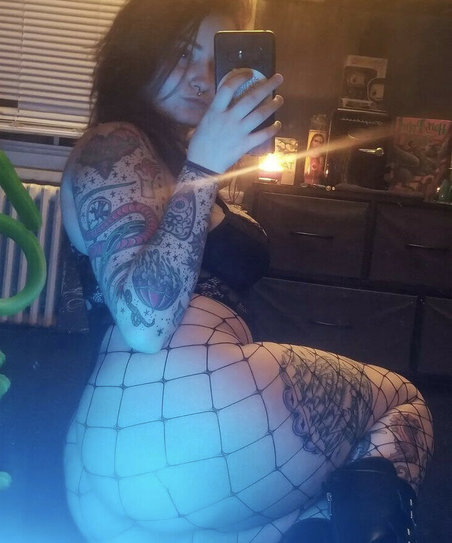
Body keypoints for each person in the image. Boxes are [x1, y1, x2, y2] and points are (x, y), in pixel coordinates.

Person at [60, 1, 433, 542]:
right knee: (403, 402)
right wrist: (208, 159)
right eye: (181, 53)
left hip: (109, 461)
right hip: (187, 412)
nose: (202, 78)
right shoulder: (113, 144)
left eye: (216, 61)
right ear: (136, 53)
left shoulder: (161, 156)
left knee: (304, 512)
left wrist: (215, 163)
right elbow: (145, 324)